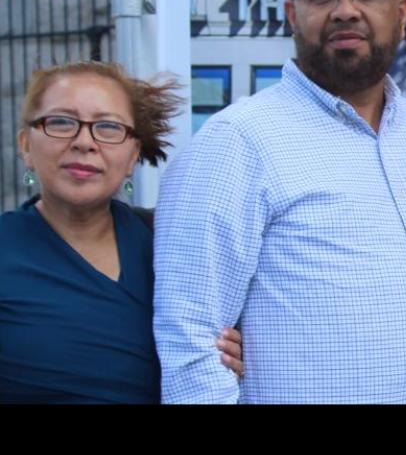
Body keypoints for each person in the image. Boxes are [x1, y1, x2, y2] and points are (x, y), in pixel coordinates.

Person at [153, 0, 406, 404]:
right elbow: (192, 342)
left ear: (402, 13)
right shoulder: (235, 143)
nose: (346, 10)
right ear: (293, 14)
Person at [0, 61, 243, 404]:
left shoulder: (176, 245)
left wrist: (234, 354)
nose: (84, 142)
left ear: (133, 156)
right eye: (61, 122)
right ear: (26, 145)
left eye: (108, 127)